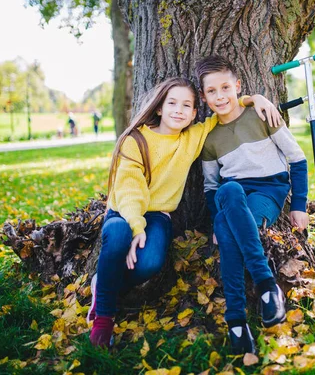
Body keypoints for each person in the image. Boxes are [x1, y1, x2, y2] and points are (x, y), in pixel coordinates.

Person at [88, 77, 281, 348]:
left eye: (186, 105)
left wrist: (254, 99)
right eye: (172, 103)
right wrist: (136, 226)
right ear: (159, 108)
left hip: (158, 215)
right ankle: (104, 319)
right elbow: (130, 189)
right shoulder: (136, 139)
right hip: (124, 212)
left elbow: (224, 110)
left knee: (150, 262)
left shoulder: (192, 138)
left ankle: (104, 283)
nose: (178, 110)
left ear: (193, 114)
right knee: (118, 234)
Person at [196, 55, 309, 355]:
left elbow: (297, 158)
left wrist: (298, 204)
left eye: (225, 88)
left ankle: (236, 320)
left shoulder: (262, 114)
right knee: (229, 189)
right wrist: (215, 215)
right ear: (204, 96)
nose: (220, 96)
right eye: (211, 91)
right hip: (231, 196)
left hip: (267, 193)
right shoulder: (209, 138)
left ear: (237, 85)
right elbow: (210, 187)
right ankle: (266, 287)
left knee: (227, 226)